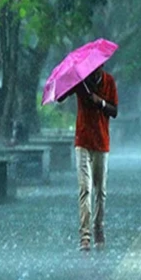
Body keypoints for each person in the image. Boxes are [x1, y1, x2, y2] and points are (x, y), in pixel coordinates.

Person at [58, 65, 118, 251]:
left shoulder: (109, 81)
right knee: (85, 188)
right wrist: (70, 83)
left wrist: (99, 102)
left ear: (102, 66)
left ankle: (98, 227)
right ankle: (85, 236)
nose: (94, 71)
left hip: (101, 143)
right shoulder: (81, 82)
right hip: (82, 141)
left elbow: (114, 111)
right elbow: (60, 97)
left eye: (97, 68)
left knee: (100, 190)